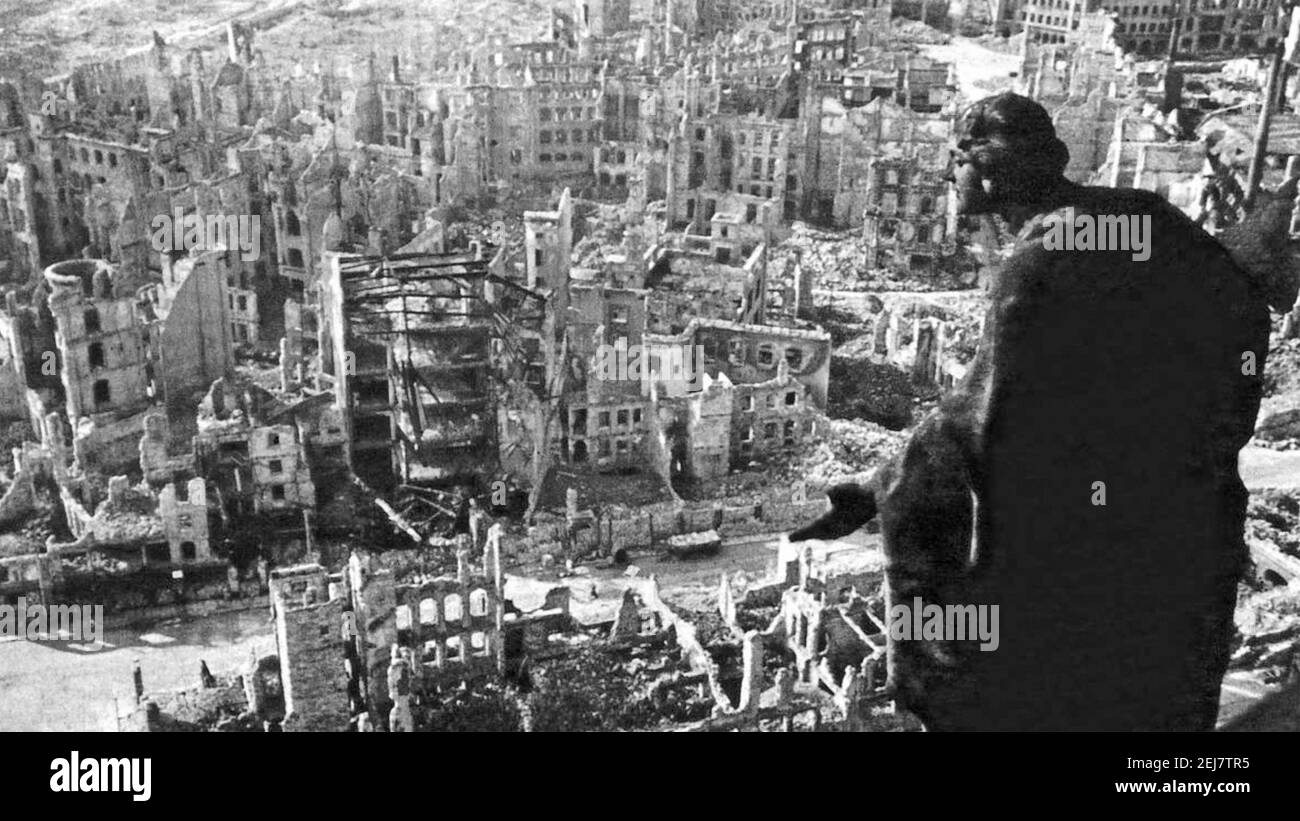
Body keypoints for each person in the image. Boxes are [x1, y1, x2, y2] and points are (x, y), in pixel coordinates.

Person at [792, 92, 1287, 731]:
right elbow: (1236, 292)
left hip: (1088, 561)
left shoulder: (1037, 265)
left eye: (956, 160)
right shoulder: (1137, 215)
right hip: (1182, 531)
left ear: (993, 171)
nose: (947, 175)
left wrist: (878, 488)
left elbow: (980, 426)